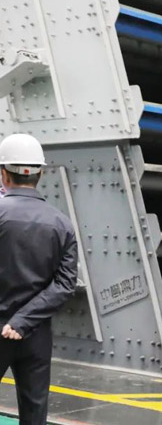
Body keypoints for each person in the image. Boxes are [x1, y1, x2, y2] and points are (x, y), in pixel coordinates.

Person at [0, 133, 78, 425]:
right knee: (35, 412)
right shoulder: (61, 224)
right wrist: (23, 321)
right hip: (35, 333)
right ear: (40, 173)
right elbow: (65, 285)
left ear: (3, 174)